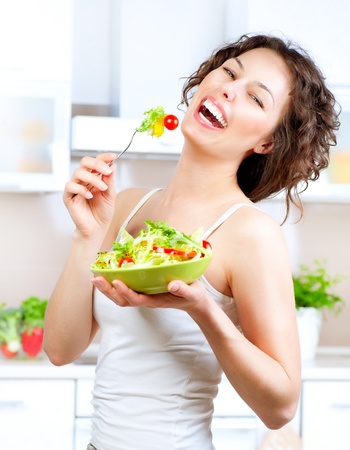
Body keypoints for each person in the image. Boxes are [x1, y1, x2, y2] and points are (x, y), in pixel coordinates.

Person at [43, 34, 339, 450]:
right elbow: (60, 349)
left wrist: (204, 309)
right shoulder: (127, 206)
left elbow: (281, 406)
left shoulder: (251, 233)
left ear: (267, 142)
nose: (229, 88)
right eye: (229, 72)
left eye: (256, 98)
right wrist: (86, 236)